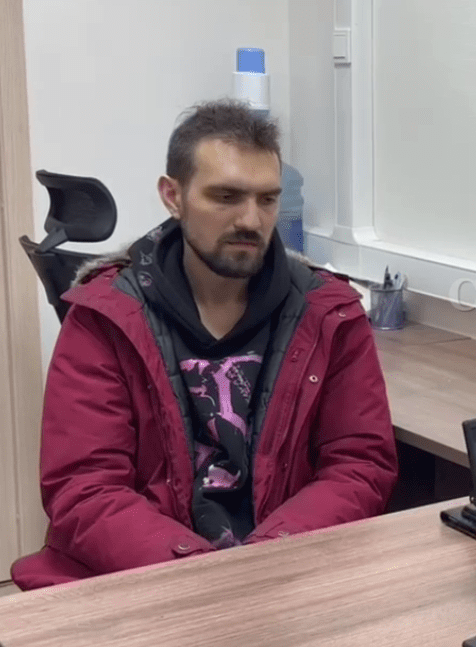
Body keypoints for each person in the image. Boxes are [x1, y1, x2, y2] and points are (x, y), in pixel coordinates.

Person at [11, 99, 399, 590]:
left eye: (267, 199)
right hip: (144, 575)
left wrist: (264, 562)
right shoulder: (105, 318)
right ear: (173, 196)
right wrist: (202, 575)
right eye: (226, 197)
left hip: (285, 573)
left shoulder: (330, 315)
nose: (251, 220)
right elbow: (84, 487)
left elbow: (359, 466)